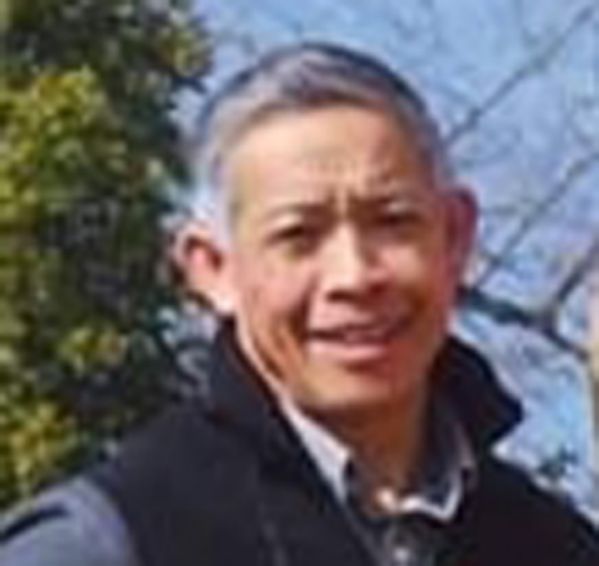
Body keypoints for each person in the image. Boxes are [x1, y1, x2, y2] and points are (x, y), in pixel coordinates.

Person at [1, 42, 598, 566]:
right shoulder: (114, 541)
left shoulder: (552, 546)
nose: (354, 276)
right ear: (213, 268)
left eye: (393, 222)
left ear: (455, 236)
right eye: (299, 235)